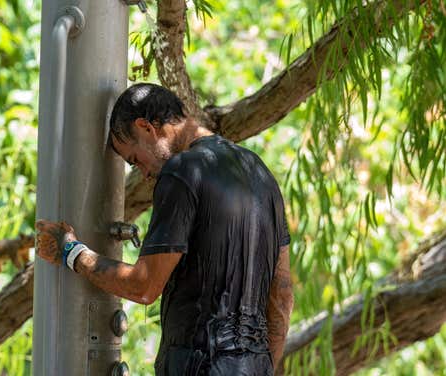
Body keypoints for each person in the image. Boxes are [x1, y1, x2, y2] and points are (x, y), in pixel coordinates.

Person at [35, 83, 293, 375]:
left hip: (198, 365)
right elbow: (282, 294)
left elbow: (143, 286)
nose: (144, 175)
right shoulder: (262, 176)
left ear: (146, 127)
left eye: (135, 160)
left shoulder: (183, 171)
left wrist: (71, 251)